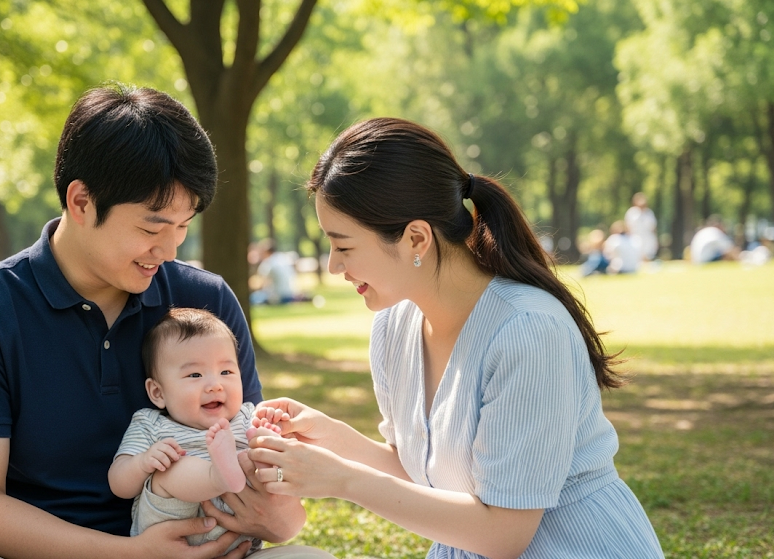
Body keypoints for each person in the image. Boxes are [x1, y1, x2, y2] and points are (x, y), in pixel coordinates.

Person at [0, 84, 333, 559]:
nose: (169, 251)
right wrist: (134, 553)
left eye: (183, 228)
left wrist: (277, 514)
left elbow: (277, 509)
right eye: (152, 227)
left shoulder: (204, 302)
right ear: (81, 202)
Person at [245, 118, 664, 559]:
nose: (333, 266)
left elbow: (504, 534)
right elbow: (425, 476)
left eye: (344, 246)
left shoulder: (529, 332)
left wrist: (343, 480)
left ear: (416, 238)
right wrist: (331, 438)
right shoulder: (394, 326)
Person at [109, 308, 287, 555]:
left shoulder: (247, 417)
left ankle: (241, 468)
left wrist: (271, 436)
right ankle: (219, 476)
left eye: (226, 372)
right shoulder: (151, 424)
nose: (215, 385)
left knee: (255, 455)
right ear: (158, 393)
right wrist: (142, 463)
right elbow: (118, 484)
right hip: (169, 542)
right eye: (195, 374)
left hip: (241, 546)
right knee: (172, 469)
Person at [252, 240, 301, 305]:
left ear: (266, 252)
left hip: (278, 297)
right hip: (289, 294)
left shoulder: (268, 263)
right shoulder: (283, 258)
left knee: (253, 298)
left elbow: (260, 283)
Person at [625, 192, 658, 261]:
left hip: (647, 237)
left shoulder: (649, 212)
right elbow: (628, 226)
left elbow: (653, 227)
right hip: (635, 236)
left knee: (648, 253)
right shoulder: (632, 212)